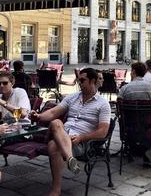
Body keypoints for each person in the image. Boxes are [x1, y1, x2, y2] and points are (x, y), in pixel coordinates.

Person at [30, 68, 110, 196]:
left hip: (80, 142)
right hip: (61, 133)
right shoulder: (73, 97)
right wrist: (38, 116)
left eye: (82, 80)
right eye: (78, 80)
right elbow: (53, 112)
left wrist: (81, 138)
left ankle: (56, 190)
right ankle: (70, 158)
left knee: (53, 146)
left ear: (93, 81)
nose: (79, 83)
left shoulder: (103, 104)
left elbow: (103, 132)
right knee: (56, 123)